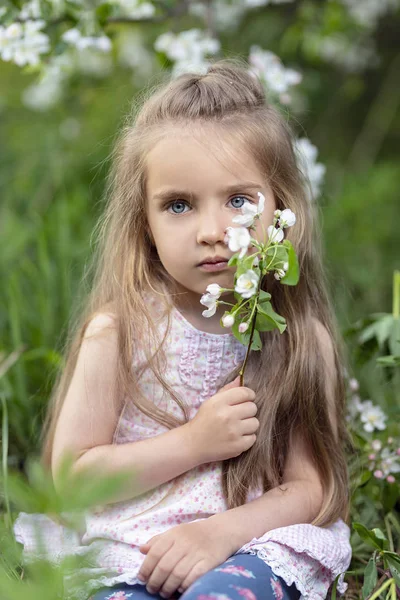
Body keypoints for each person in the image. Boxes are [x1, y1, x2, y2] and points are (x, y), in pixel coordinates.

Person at [13, 59, 352, 600]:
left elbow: (310, 487)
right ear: (144, 224)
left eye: (239, 201)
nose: (213, 232)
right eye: (178, 205)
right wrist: (194, 443)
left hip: (247, 544)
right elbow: (72, 480)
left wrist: (219, 533)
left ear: (281, 209)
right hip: (132, 549)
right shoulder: (121, 332)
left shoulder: (296, 336)